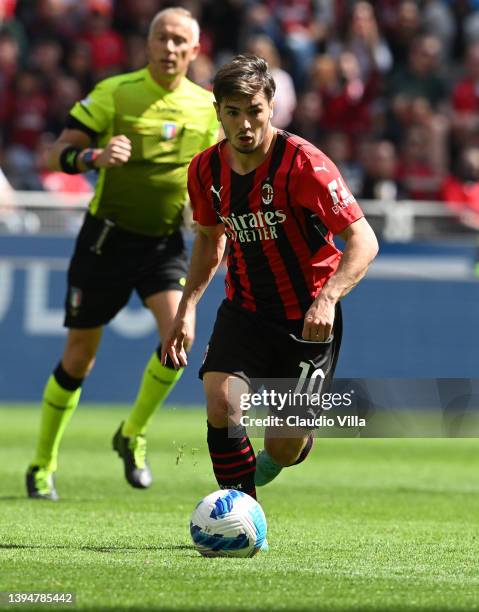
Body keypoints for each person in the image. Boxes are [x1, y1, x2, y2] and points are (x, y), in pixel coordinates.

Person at [163, 55, 378, 500]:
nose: (244, 124)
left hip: (307, 319)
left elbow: (364, 242)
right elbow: (209, 240)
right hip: (244, 308)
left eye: (254, 110)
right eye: (233, 112)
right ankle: (240, 517)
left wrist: (328, 299)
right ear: (218, 111)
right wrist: (186, 308)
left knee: (282, 444)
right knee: (221, 404)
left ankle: (288, 446)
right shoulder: (204, 170)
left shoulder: (304, 165)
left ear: (271, 107)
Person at [26, 7, 219, 501]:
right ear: (147, 44)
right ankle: (43, 463)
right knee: (79, 358)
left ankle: (132, 432)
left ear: (195, 51)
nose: (170, 47)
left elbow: (219, 177)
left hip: (162, 243)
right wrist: (93, 157)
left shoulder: (207, 109)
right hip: (106, 240)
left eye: (180, 40)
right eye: (162, 38)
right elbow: (54, 153)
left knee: (179, 338)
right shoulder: (116, 93)